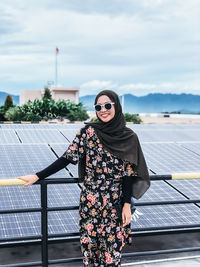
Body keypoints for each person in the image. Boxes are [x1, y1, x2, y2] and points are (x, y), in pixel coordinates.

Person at [17, 90, 150, 267]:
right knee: (91, 256)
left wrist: (126, 205)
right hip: (90, 204)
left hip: (115, 206)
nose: (103, 110)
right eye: (98, 107)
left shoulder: (129, 137)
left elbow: (127, 174)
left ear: (116, 106)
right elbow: (66, 158)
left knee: (112, 258)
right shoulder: (88, 132)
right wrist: (37, 176)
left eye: (108, 105)